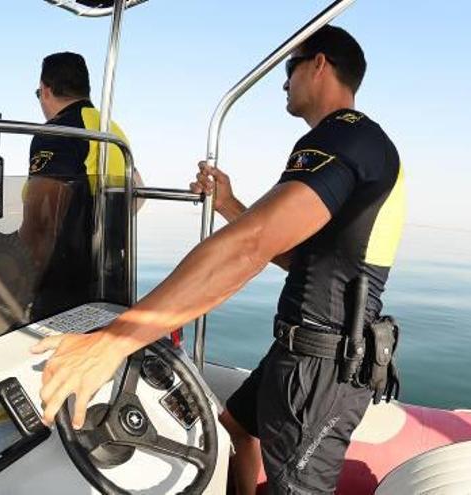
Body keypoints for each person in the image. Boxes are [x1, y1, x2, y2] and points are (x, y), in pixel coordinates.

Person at [31, 26, 406, 494]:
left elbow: (250, 247)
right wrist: (229, 205)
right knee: (236, 425)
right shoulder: (357, 144)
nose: (284, 82)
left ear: (319, 65)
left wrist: (115, 340)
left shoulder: (344, 139)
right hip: (300, 350)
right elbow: (297, 257)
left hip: (322, 369)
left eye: (290, 69)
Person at [20, 51, 140, 320]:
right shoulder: (112, 129)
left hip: (65, 290)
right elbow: (137, 193)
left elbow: (40, 223)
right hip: (112, 280)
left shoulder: (58, 132)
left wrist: (19, 284)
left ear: (45, 89)